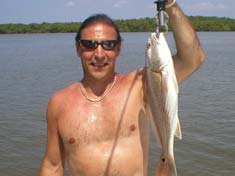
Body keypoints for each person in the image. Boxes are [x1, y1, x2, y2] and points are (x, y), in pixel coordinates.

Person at [39, 0, 205, 175]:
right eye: (89, 44)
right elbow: (52, 165)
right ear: (78, 49)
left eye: (108, 44)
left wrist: (171, 5)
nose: (99, 54)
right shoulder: (58, 103)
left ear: (118, 48)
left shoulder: (141, 85)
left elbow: (193, 58)